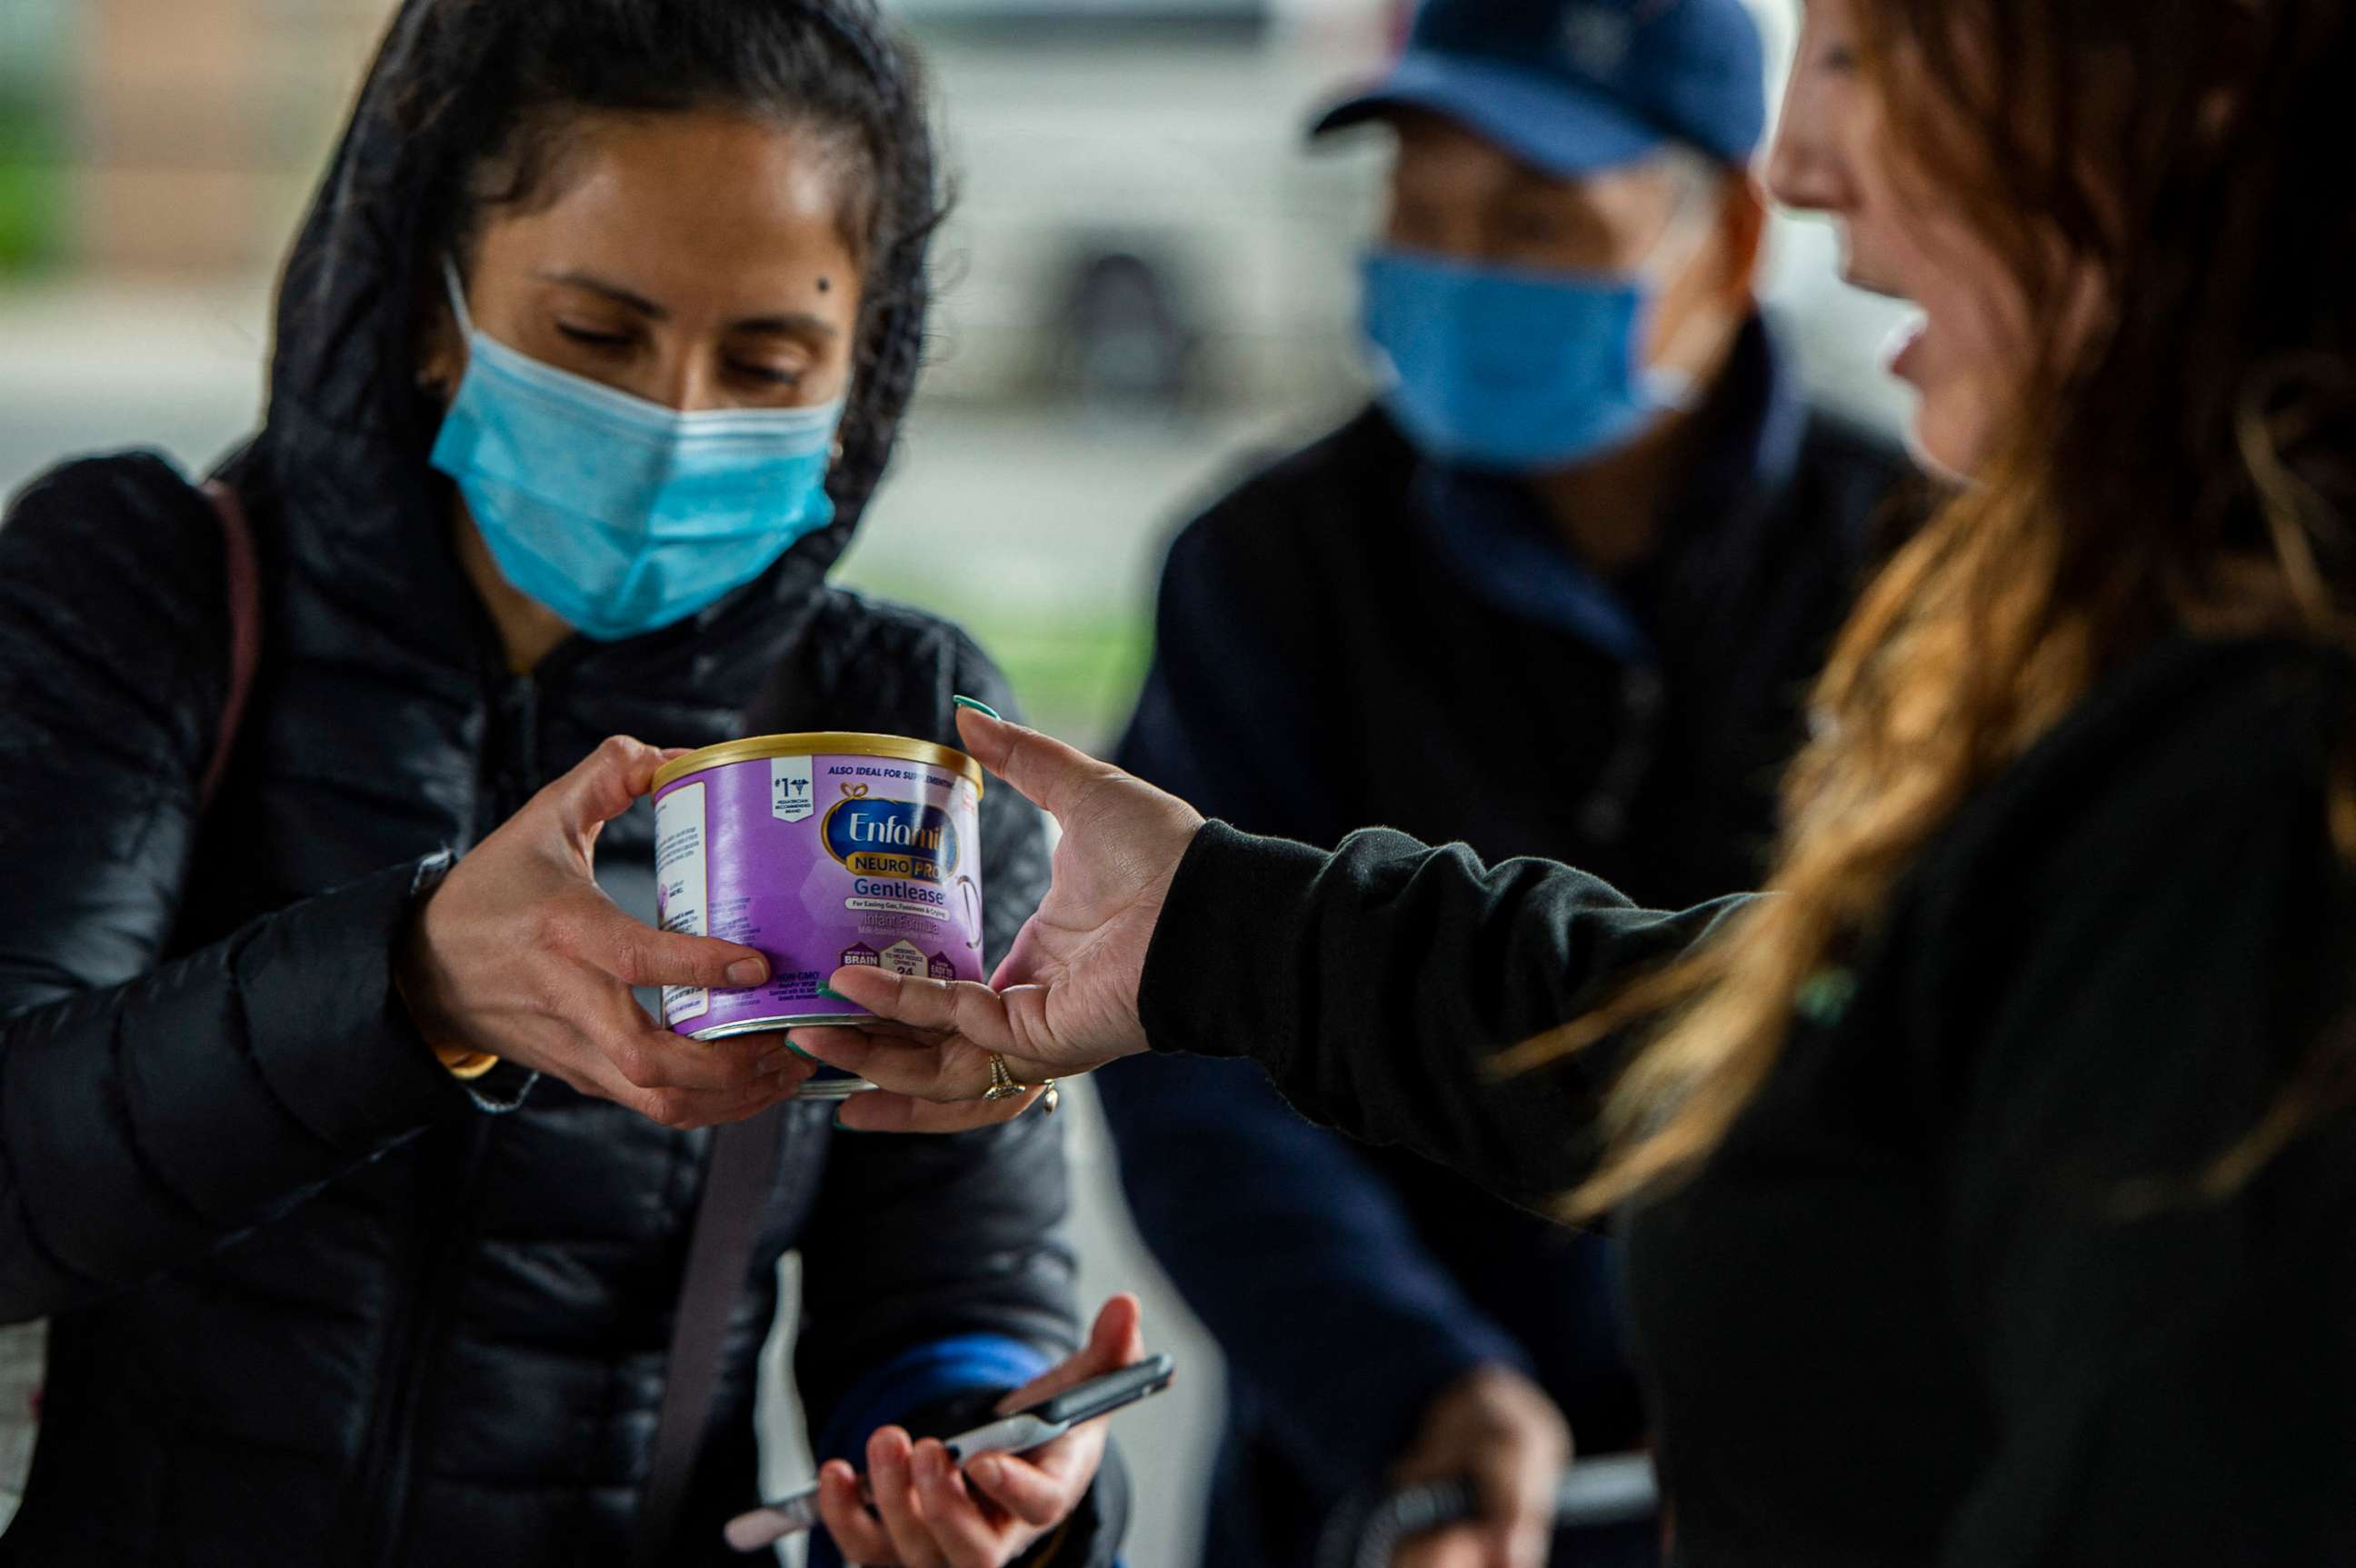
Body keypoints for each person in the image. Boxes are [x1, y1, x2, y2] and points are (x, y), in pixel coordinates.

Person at [799, 0, 2356, 1559]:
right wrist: (1229, 949)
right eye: (1420, 205)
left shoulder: (2183, 716)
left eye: (1874, 54)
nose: (1815, 158)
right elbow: (1811, 1029)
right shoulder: (1275, 561)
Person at [0, 4, 1137, 1565]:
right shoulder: (148, 594)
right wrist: (408, 983)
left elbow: (953, 1287)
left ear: (859, 380)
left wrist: (995, 1474)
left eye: (766, 360)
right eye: (598, 337)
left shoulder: (886, 731)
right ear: (429, 310)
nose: (678, 421)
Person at [1095, 0, 1911, 1561]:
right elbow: (1195, 1052)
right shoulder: (1268, 570)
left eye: (1536, 218)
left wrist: (1800, 1407)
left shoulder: (1924, 584)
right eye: (1418, 209)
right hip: (1395, 1484)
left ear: (1734, 234)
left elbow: (1911, 1082)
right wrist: (1415, 1388)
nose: (1460, 268)